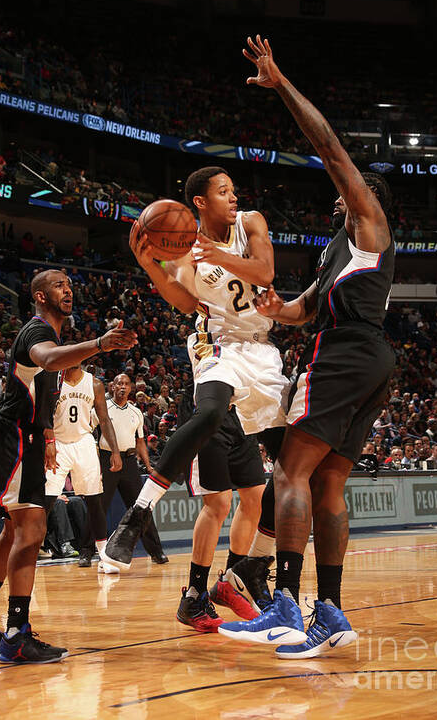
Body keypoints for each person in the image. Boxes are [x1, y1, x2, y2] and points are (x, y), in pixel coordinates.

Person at [218, 35, 395, 658]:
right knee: (329, 486)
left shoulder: (368, 222)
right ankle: (330, 610)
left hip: (346, 354)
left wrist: (281, 83)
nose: (341, 195)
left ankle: (286, 607)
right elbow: (304, 309)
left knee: (290, 469)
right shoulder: (339, 251)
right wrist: (277, 310)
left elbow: (330, 148)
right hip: (369, 358)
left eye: (350, 190)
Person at [101, 164, 289, 573]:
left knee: (291, 465)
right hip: (218, 342)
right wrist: (152, 265)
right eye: (224, 191)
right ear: (200, 202)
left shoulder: (251, 222)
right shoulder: (185, 248)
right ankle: (138, 513)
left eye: (233, 190)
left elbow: (265, 271)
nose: (234, 197)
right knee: (209, 412)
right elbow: (186, 301)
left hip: (262, 349)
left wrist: (218, 254)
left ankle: (250, 568)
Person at [0, 269, 136, 663]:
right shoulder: (37, 333)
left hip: (30, 439)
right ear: (39, 296)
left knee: (14, 531)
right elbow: (48, 360)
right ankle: (17, 635)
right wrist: (100, 344)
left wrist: (49, 439)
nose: (67, 290)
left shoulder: (51, 335)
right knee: (31, 532)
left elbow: (43, 393)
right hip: (15, 437)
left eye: (69, 285)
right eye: (58, 285)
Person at [177, 404, 266, 632]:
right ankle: (194, 595)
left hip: (243, 413)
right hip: (209, 408)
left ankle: (231, 582)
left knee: (256, 498)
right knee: (218, 503)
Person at [80, 373, 168, 566]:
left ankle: (156, 552)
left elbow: (140, 442)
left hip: (129, 462)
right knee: (98, 507)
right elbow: (88, 432)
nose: (122, 386)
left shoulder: (136, 412)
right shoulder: (102, 408)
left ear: (131, 389)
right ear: (112, 386)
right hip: (107, 459)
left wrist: (148, 465)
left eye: (126, 384)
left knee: (142, 507)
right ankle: (86, 552)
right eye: (119, 383)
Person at [44, 364, 122, 575]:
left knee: (94, 499)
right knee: (47, 500)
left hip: (83, 442)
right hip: (58, 442)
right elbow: (43, 415)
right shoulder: (53, 382)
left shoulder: (94, 383)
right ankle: (31, 550)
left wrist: (115, 450)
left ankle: (104, 556)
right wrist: (48, 442)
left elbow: (104, 420)